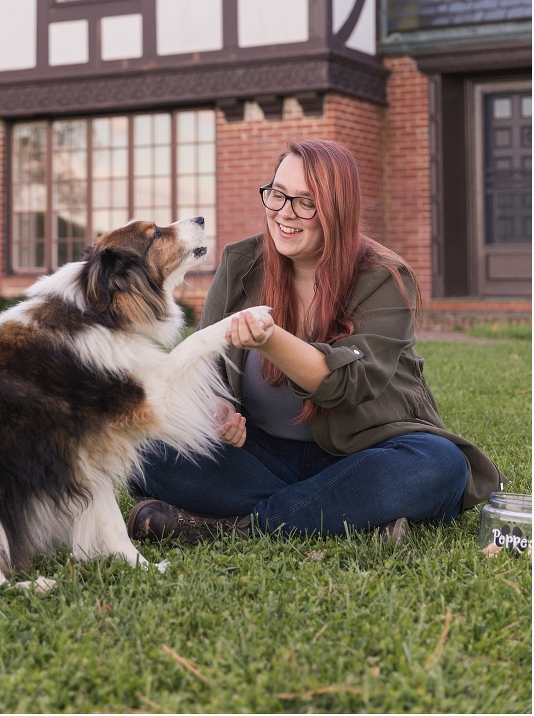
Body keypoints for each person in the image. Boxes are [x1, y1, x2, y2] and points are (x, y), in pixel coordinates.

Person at [128, 140, 503, 545]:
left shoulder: (385, 278)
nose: (285, 213)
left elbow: (347, 385)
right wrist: (217, 409)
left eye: (306, 202)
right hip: (263, 457)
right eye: (277, 195)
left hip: (365, 455)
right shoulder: (241, 265)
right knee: (144, 451)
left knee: (440, 466)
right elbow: (210, 377)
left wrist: (270, 338)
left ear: (337, 210)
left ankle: (234, 526)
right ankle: (346, 517)